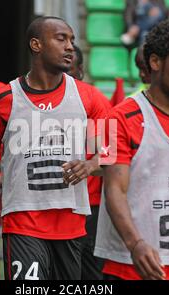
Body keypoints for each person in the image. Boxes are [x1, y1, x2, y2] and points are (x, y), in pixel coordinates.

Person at [0, 16, 109, 280]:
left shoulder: (90, 97)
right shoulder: (4, 100)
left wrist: (91, 164)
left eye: (71, 40)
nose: (70, 46)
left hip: (71, 225)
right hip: (22, 222)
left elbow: (112, 153)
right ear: (36, 44)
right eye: (61, 39)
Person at [95, 21, 169, 280]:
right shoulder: (120, 117)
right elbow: (114, 188)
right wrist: (135, 243)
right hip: (132, 266)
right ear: (156, 62)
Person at [67, 45, 107, 280]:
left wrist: (89, 165)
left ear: (80, 71)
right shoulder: (40, 103)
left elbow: (109, 155)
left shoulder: (94, 100)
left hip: (88, 206)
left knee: (90, 274)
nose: (65, 80)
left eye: (70, 73)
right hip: (51, 205)